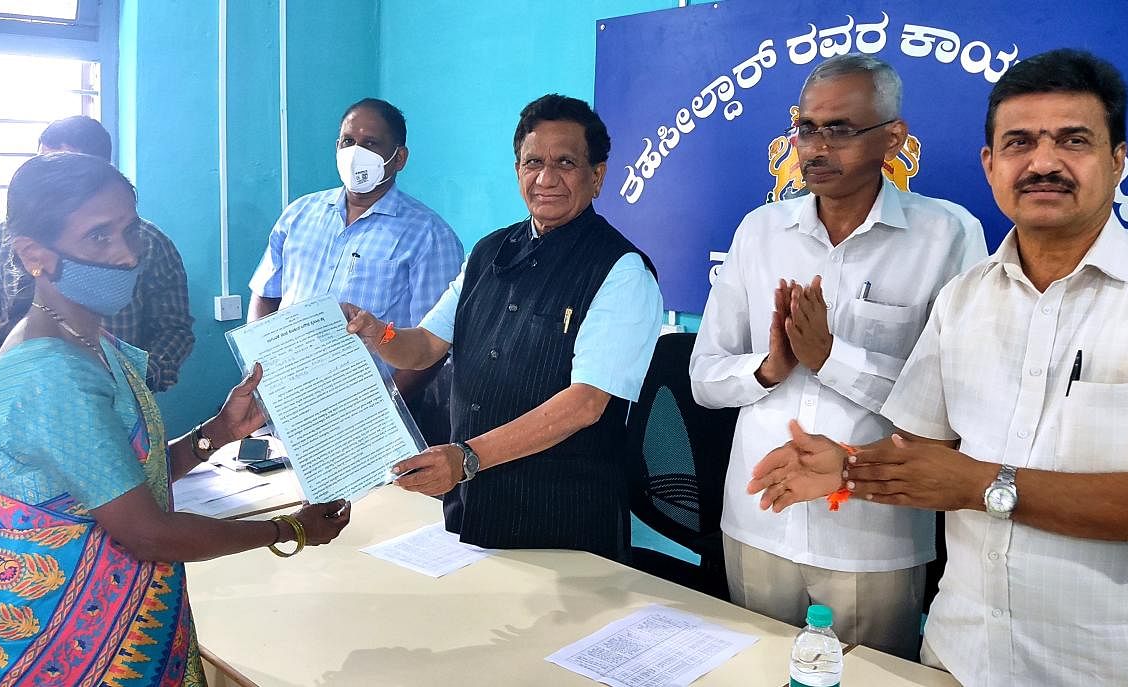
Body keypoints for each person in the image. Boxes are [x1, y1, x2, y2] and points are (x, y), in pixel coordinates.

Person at [748, 49, 1128, 685]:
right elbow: (923, 452)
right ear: (990, 165)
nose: (1043, 163)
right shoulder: (965, 297)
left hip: (1105, 665)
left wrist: (982, 486)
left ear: (1118, 160)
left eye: (1073, 141)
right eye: (1019, 143)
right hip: (958, 656)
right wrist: (849, 467)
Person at [0, 153, 349, 685]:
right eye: (98, 237)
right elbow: (147, 534)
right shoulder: (49, 372)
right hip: (63, 646)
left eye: (129, 232)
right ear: (35, 255)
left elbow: (124, 479)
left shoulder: (90, 340)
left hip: (120, 623)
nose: (127, 256)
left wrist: (218, 433)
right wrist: (290, 528)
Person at [689, 54, 986, 659]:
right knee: (752, 670)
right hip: (757, 519)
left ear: (893, 138)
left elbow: (954, 409)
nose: (817, 148)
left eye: (841, 130)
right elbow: (703, 380)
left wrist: (830, 358)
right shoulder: (760, 232)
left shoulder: (947, 237)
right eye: (806, 128)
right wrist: (769, 368)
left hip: (873, 533)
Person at [345, 94, 662, 562]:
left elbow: (585, 404)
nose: (546, 178)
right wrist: (381, 334)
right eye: (533, 161)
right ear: (517, 170)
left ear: (597, 177)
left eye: (566, 163)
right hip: (471, 508)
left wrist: (466, 457)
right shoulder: (489, 252)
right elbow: (427, 345)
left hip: (563, 524)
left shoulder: (621, 271)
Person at [248, 98, 463, 409]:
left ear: (399, 157)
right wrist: (260, 368)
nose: (355, 153)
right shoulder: (299, 215)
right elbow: (266, 295)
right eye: (349, 141)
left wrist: (381, 407)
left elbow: (432, 345)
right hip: (285, 401)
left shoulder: (430, 236)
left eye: (371, 143)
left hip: (368, 415)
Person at [0, 115, 194, 394]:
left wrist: (129, 384)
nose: (127, 258)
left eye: (66, 172)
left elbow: (174, 329)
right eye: (42, 165)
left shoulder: (149, 243)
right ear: (31, 255)